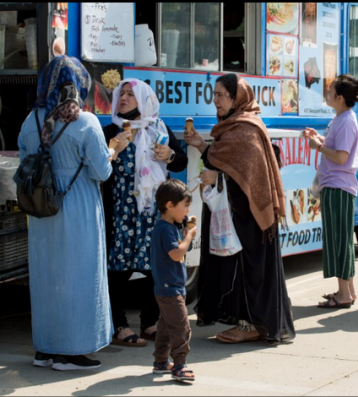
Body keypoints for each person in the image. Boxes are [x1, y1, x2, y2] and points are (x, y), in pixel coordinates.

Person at [184, 73, 295, 345]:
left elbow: (248, 177)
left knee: (251, 270)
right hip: (239, 215)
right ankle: (247, 322)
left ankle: (252, 325)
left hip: (252, 219)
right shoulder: (230, 127)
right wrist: (200, 144)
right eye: (215, 95)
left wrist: (218, 178)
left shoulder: (246, 129)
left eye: (221, 95)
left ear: (236, 98)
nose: (216, 100)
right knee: (239, 268)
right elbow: (225, 161)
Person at [18, 55, 113, 370]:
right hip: (78, 210)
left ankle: (45, 349)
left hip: (42, 212)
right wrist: (112, 152)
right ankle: (70, 352)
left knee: (48, 279)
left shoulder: (30, 121)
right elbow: (101, 172)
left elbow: (25, 163)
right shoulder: (85, 122)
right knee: (78, 277)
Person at [102, 78, 188, 347]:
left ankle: (150, 322)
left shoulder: (158, 129)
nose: (124, 98)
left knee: (155, 267)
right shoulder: (110, 132)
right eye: (121, 94)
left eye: (131, 94)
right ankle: (119, 325)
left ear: (144, 99)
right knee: (117, 268)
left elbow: (181, 161)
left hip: (151, 212)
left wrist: (169, 156)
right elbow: (98, 170)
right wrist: (114, 150)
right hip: (121, 212)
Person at [302, 75, 358, 309]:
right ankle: (347, 290)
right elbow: (337, 148)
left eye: (330, 92)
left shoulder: (346, 121)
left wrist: (318, 146)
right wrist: (319, 138)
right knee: (341, 239)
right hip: (336, 185)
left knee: (339, 240)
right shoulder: (341, 118)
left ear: (339, 98)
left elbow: (341, 157)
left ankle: (344, 294)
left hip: (338, 186)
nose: (326, 95)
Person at [150, 179, 196, 381]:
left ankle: (161, 361)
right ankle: (180, 365)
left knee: (166, 327)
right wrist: (188, 237)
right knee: (181, 327)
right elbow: (176, 254)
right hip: (170, 288)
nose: (187, 210)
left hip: (166, 286)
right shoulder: (166, 229)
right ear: (169, 205)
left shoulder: (167, 226)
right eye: (184, 205)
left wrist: (185, 230)